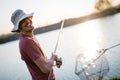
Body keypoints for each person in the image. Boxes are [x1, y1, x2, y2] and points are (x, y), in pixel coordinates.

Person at [11, 9, 61, 80]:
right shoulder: (27, 42)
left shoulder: (27, 39)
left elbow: (39, 65)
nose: (28, 21)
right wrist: (53, 56)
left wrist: (53, 60)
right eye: (22, 21)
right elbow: (46, 69)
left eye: (27, 18)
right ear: (19, 28)